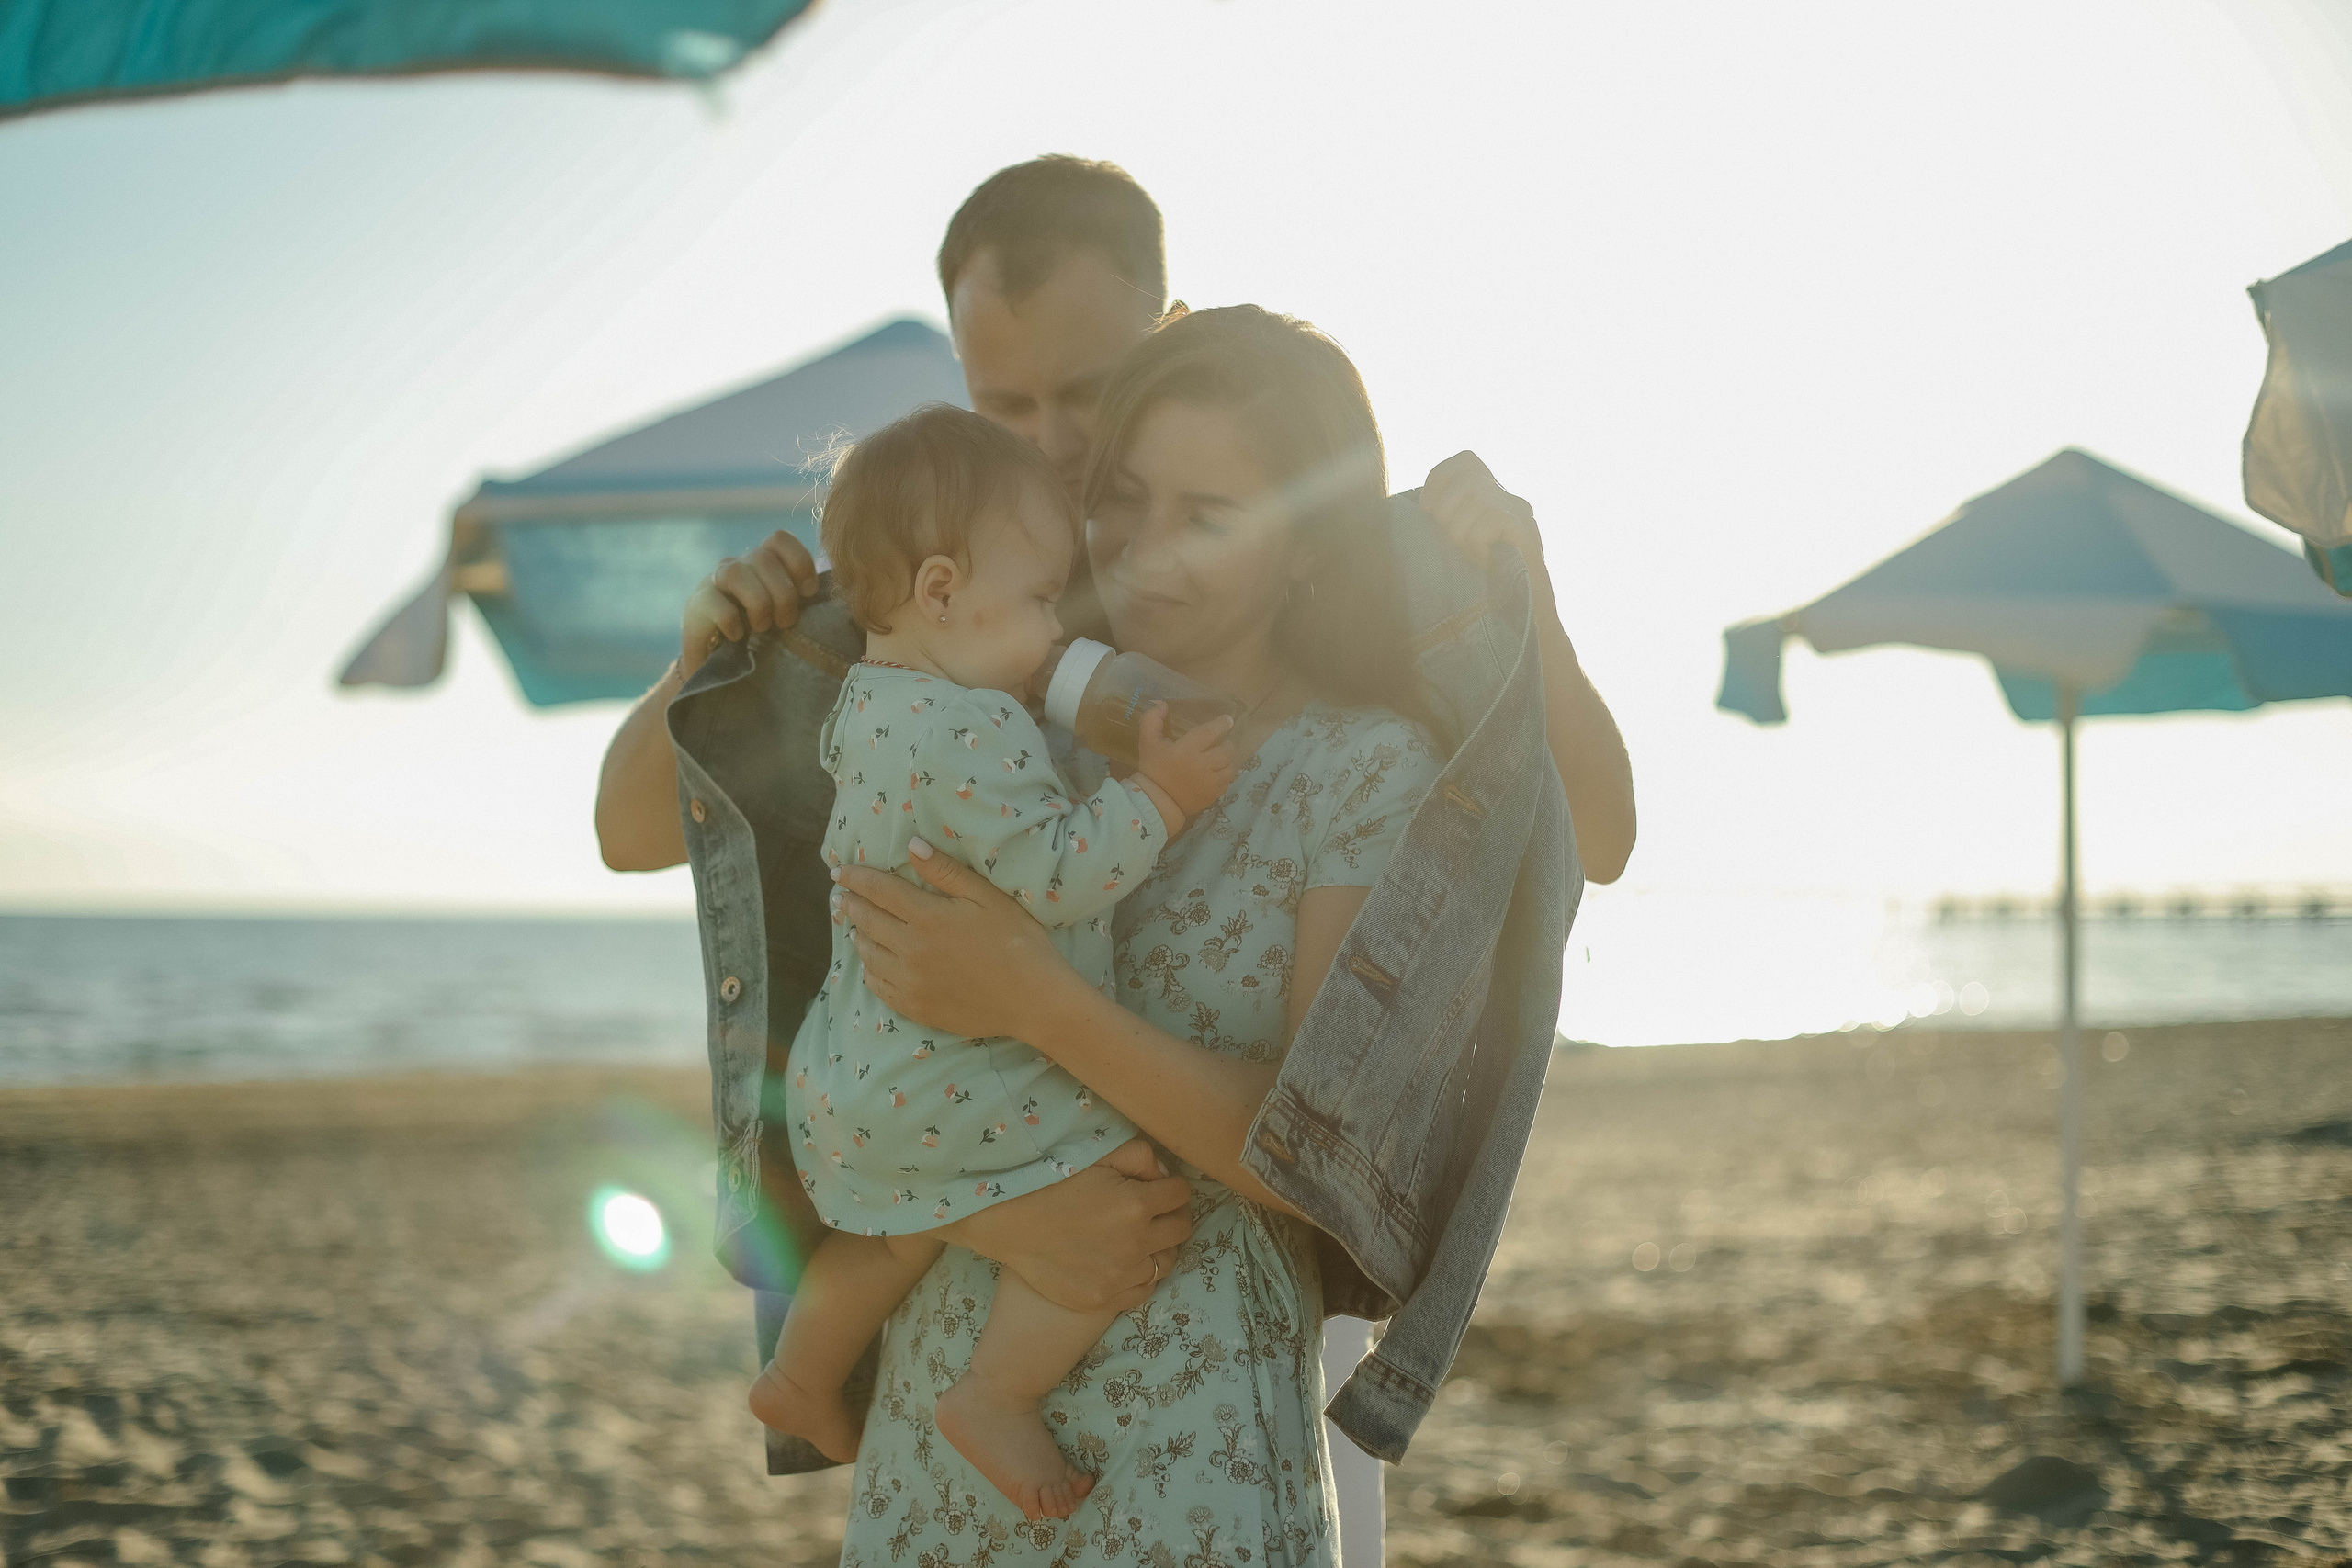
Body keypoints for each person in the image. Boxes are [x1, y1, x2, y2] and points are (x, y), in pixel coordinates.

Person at [593, 157, 1633, 1564]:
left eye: (1082, 393)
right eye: (1003, 401)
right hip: (944, 1405)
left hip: (1207, 1410)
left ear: (1163, 332)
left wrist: (1530, 613)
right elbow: (639, 826)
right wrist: (697, 664)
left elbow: (1589, 833)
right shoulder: (963, 626)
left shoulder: (1331, 689)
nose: (1057, 447)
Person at [825, 304, 1446, 1564]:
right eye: (1124, 496)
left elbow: (1309, 1156)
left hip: (1192, 1430)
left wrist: (1038, 1001)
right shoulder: (1004, 707)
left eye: (1207, 516)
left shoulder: (1363, 769)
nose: (1144, 548)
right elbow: (876, 1057)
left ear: (1308, 545)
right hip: (945, 1416)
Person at [743, 403, 1238, 1521]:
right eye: (1034, 600)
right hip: (950, 1075)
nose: (1049, 632)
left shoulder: (861, 708)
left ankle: (799, 1373)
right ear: (938, 591)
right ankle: (994, 1396)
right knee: (1118, 1214)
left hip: (852, 1077)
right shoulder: (975, 726)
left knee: (897, 1226)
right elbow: (1057, 873)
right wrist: (1161, 797)